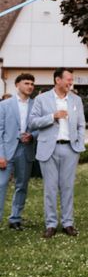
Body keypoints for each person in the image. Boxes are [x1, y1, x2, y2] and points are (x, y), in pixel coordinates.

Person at [29, 68, 85, 238]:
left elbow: (81, 124)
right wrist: (52, 116)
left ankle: (68, 223)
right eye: (68, 79)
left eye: (71, 79)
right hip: (48, 149)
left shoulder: (76, 100)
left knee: (67, 187)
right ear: (57, 80)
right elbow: (32, 122)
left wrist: (79, 143)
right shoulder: (41, 99)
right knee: (50, 188)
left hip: (70, 149)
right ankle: (51, 224)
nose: (70, 82)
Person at [0, 73, 36, 230]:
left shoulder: (36, 105)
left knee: (22, 185)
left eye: (32, 84)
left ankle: (15, 218)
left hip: (26, 150)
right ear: (17, 85)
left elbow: (40, 128)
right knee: (1, 184)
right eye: (27, 83)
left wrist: (32, 136)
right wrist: (0, 154)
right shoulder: (4, 105)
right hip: (7, 151)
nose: (30, 86)